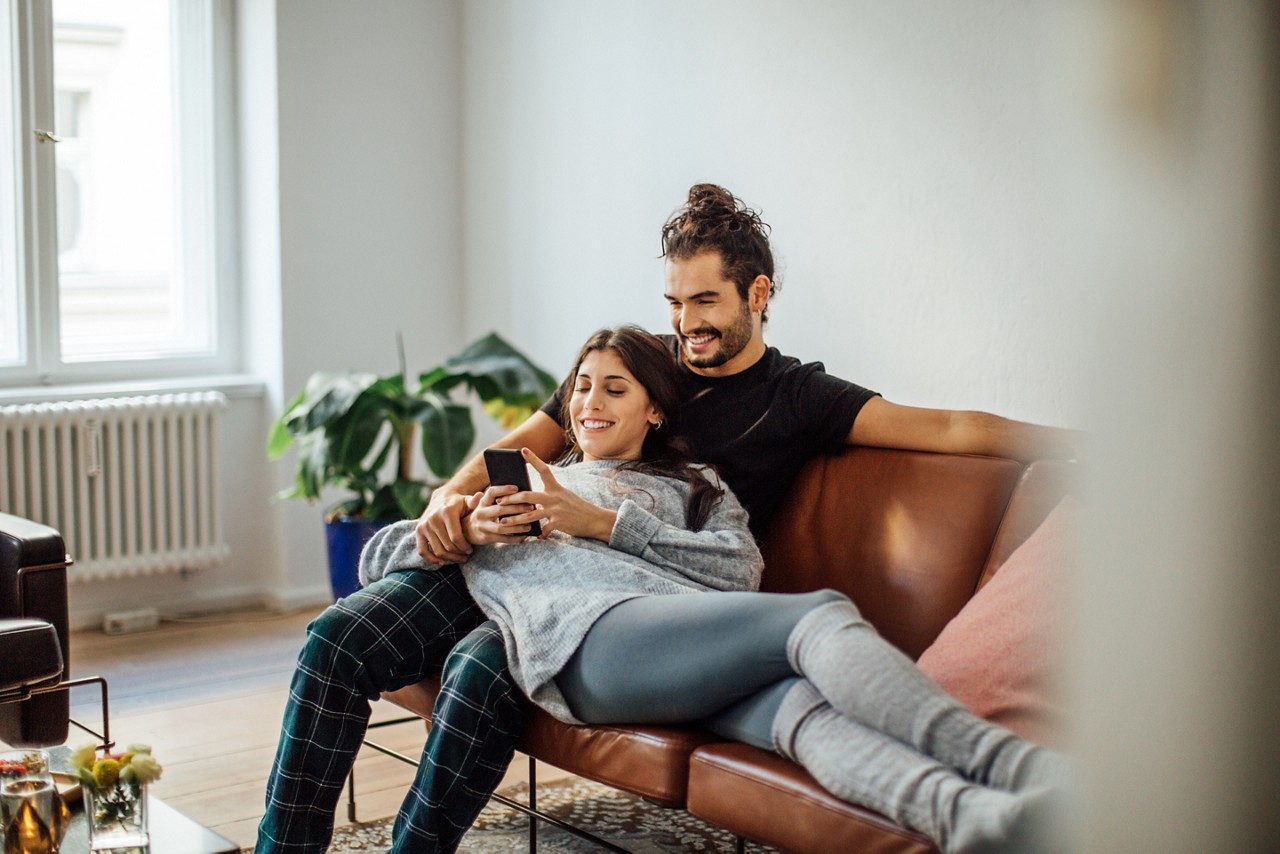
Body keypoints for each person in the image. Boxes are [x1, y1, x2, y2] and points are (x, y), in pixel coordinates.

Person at [256, 183, 1077, 853]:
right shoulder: (636, 363)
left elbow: (949, 430)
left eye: (707, 302)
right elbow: (528, 441)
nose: (687, 325)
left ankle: (983, 811)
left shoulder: (795, 399)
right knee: (340, 640)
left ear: (759, 295)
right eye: (676, 302)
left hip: (641, 602)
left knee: (496, 676)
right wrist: (449, 501)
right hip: (523, 568)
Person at [363, 326, 1067, 853]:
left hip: (678, 641)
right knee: (817, 616)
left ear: (653, 412)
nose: (591, 403)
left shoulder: (696, 487)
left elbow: (737, 571)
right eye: (582, 387)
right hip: (583, 642)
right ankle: (1016, 767)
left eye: (615, 388)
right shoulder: (521, 488)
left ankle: (973, 820)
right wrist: (461, 523)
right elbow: (386, 555)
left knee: (803, 713)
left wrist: (608, 524)